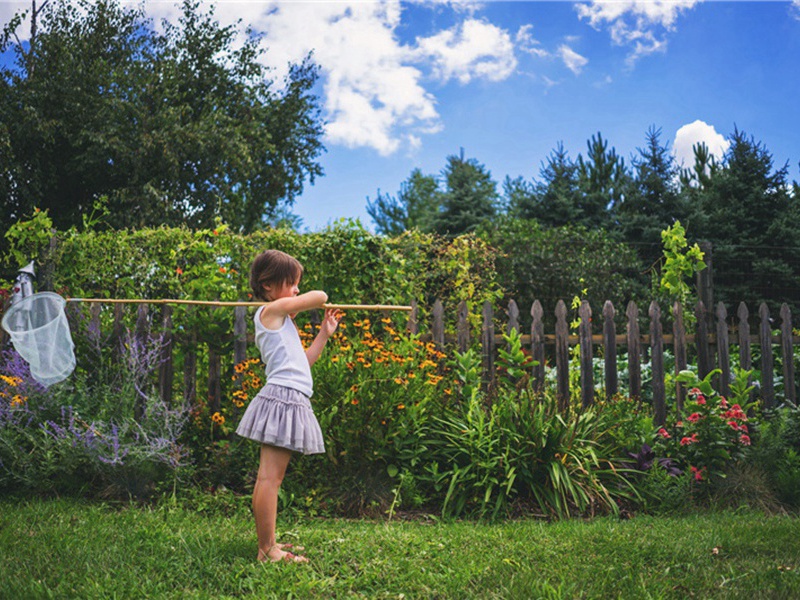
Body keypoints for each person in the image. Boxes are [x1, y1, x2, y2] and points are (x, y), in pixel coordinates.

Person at [236, 249, 342, 563]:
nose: (297, 290)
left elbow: (304, 362)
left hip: (290, 396)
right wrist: (307, 299)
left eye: (298, 284)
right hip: (283, 398)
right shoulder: (272, 310)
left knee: (268, 477)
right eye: (292, 283)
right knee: (270, 478)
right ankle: (267, 550)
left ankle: (268, 544)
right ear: (268, 285)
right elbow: (319, 295)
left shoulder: (283, 321)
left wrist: (324, 332)